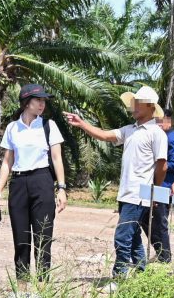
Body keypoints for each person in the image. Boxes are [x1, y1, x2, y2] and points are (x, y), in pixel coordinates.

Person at [65, 86, 168, 275]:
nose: (133, 106)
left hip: (138, 195)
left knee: (122, 236)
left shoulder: (156, 133)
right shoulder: (130, 130)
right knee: (134, 236)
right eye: (133, 102)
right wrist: (82, 123)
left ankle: (119, 275)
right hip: (125, 193)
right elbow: (104, 135)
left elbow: (162, 165)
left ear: (151, 107)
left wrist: (155, 191)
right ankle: (140, 273)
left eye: (138, 103)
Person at [0, 84, 69, 281]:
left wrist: (61, 188)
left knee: (43, 237)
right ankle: (23, 289)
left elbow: (57, 158)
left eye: (44, 101)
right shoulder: (12, 127)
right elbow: (7, 161)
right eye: (38, 100)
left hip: (42, 181)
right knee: (21, 239)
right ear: (27, 103)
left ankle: (42, 290)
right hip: (18, 184)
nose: (42, 104)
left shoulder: (48, 126)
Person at [151, 109, 174, 262]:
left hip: (165, 186)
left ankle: (165, 256)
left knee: (160, 221)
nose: (159, 124)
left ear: (169, 121)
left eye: (162, 121)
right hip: (160, 185)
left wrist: (158, 165)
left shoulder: (171, 138)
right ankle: (162, 252)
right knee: (154, 220)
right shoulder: (164, 137)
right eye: (157, 121)